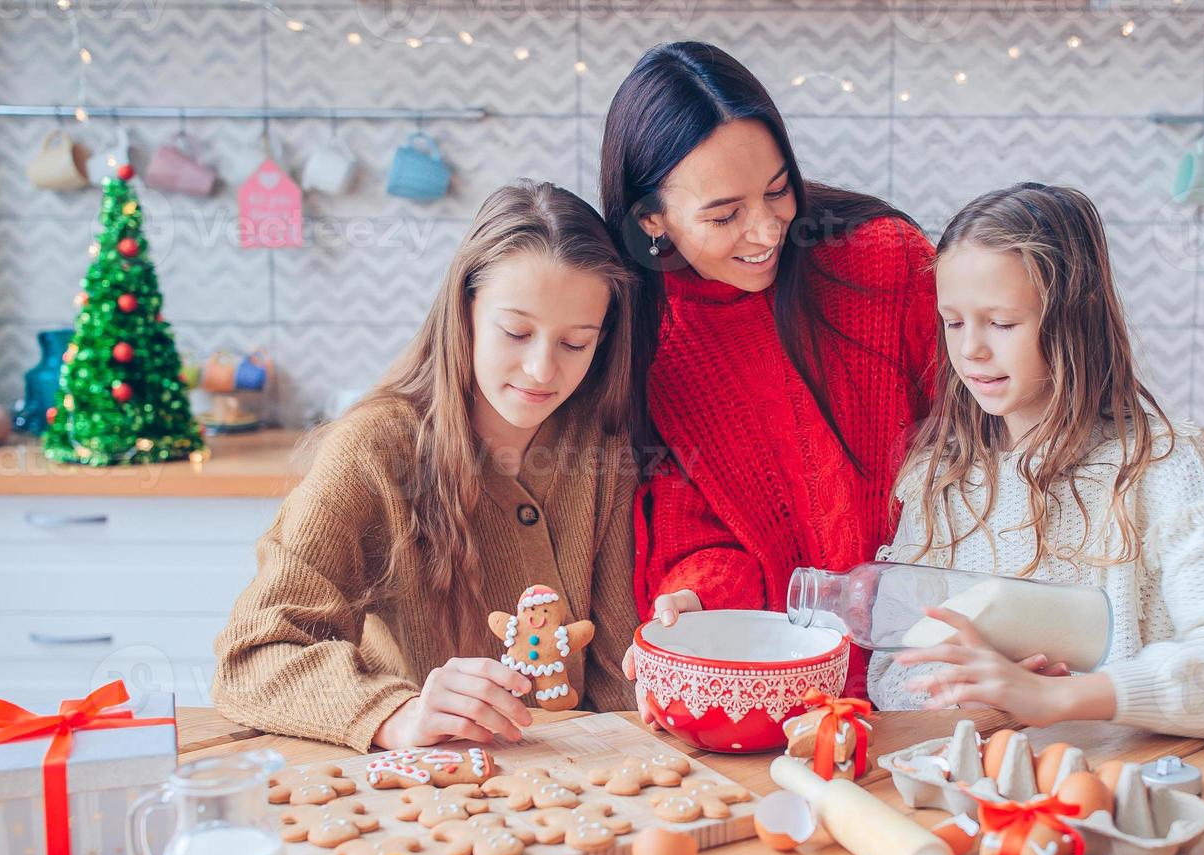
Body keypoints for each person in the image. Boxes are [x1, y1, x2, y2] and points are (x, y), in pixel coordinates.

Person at [212, 181, 640, 751]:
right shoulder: (373, 449)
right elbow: (251, 657)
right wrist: (398, 714)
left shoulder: (604, 453)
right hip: (419, 791)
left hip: (576, 787)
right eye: (516, 332)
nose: (541, 369)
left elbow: (621, 684)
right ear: (463, 311)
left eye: (576, 343)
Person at [869, 182, 1204, 738]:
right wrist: (987, 692)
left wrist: (1059, 696)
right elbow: (891, 672)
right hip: (984, 791)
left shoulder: (1153, 468)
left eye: (1002, 322)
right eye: (954, 321)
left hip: (1133, 782)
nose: (971, 350)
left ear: (1072, 320)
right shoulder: (940, 478)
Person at [599, 41, 938, 705]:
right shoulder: (647, 345)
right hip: (784, 696)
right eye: (725, 215)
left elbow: (987, 445)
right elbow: (702, 533)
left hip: (939, 682)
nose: (765, 232)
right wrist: (696, 599)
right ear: (651, 220)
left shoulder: (884, 261)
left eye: (778, 191)